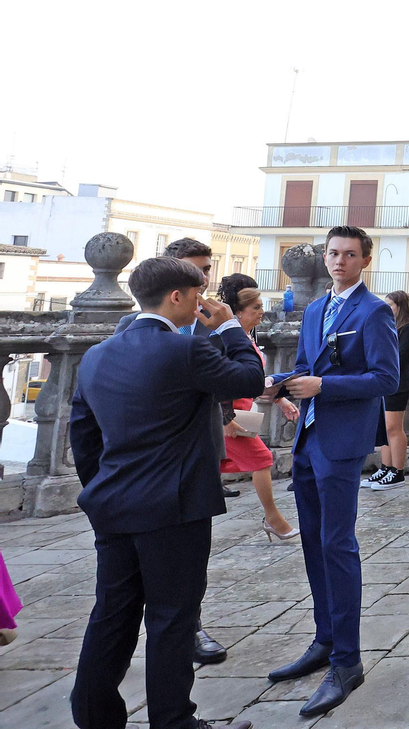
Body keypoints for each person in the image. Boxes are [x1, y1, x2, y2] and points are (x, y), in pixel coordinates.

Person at [68, 256, 263, 729]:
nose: (203, 302)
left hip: (113, 503)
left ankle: (94, 716)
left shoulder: (97, 354)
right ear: (175, 297)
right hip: (174, 507)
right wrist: (230, 327)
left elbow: (83, 436)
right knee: (172, 617)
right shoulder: (185, 352)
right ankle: (173, 722)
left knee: (112, 614)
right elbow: (249, 378)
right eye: (197, 294)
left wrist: (102, 487)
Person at [266, 226, 399, 717]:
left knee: (338, 545)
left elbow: (386, 378)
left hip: (341, 442)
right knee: (312, 541)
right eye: (333, 253)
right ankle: (325, 640)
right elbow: (304, 364)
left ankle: (348, 661)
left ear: (364, 260)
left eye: (348, 254)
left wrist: (324, 386)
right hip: (308, 438)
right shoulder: (317, 308)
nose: (339, 261)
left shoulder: (375, 311)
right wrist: (276, 385)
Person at [114, 238, 232, 664]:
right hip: (145, 471)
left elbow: (225, 378)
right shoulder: (131, 329)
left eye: (208, 270)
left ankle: (191, 627)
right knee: (138, 577)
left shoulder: (207, 321)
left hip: (196, 453)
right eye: (197, 271)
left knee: (188, 567)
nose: (205, 280)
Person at [217, 284, 301, 542]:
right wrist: (225, 418)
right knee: (262, 459)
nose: (262, 312)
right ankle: (273, 519)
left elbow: (254, 380)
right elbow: (219, 380)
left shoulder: (244, 338)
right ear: (239, 313)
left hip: (239, 416)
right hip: (231, 418)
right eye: (256, 307)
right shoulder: (228, 341)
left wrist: (280, 400)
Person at [365, 290, 409, 490]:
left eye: (390, 305)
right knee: (385, 428)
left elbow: (398, 357)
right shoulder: (390, 327)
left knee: (394, 428)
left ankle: (398, 471)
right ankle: (386, 467)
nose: (386, 308)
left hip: (399, 384)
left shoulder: (408, 330)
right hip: (386, 383)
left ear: (400, 307)